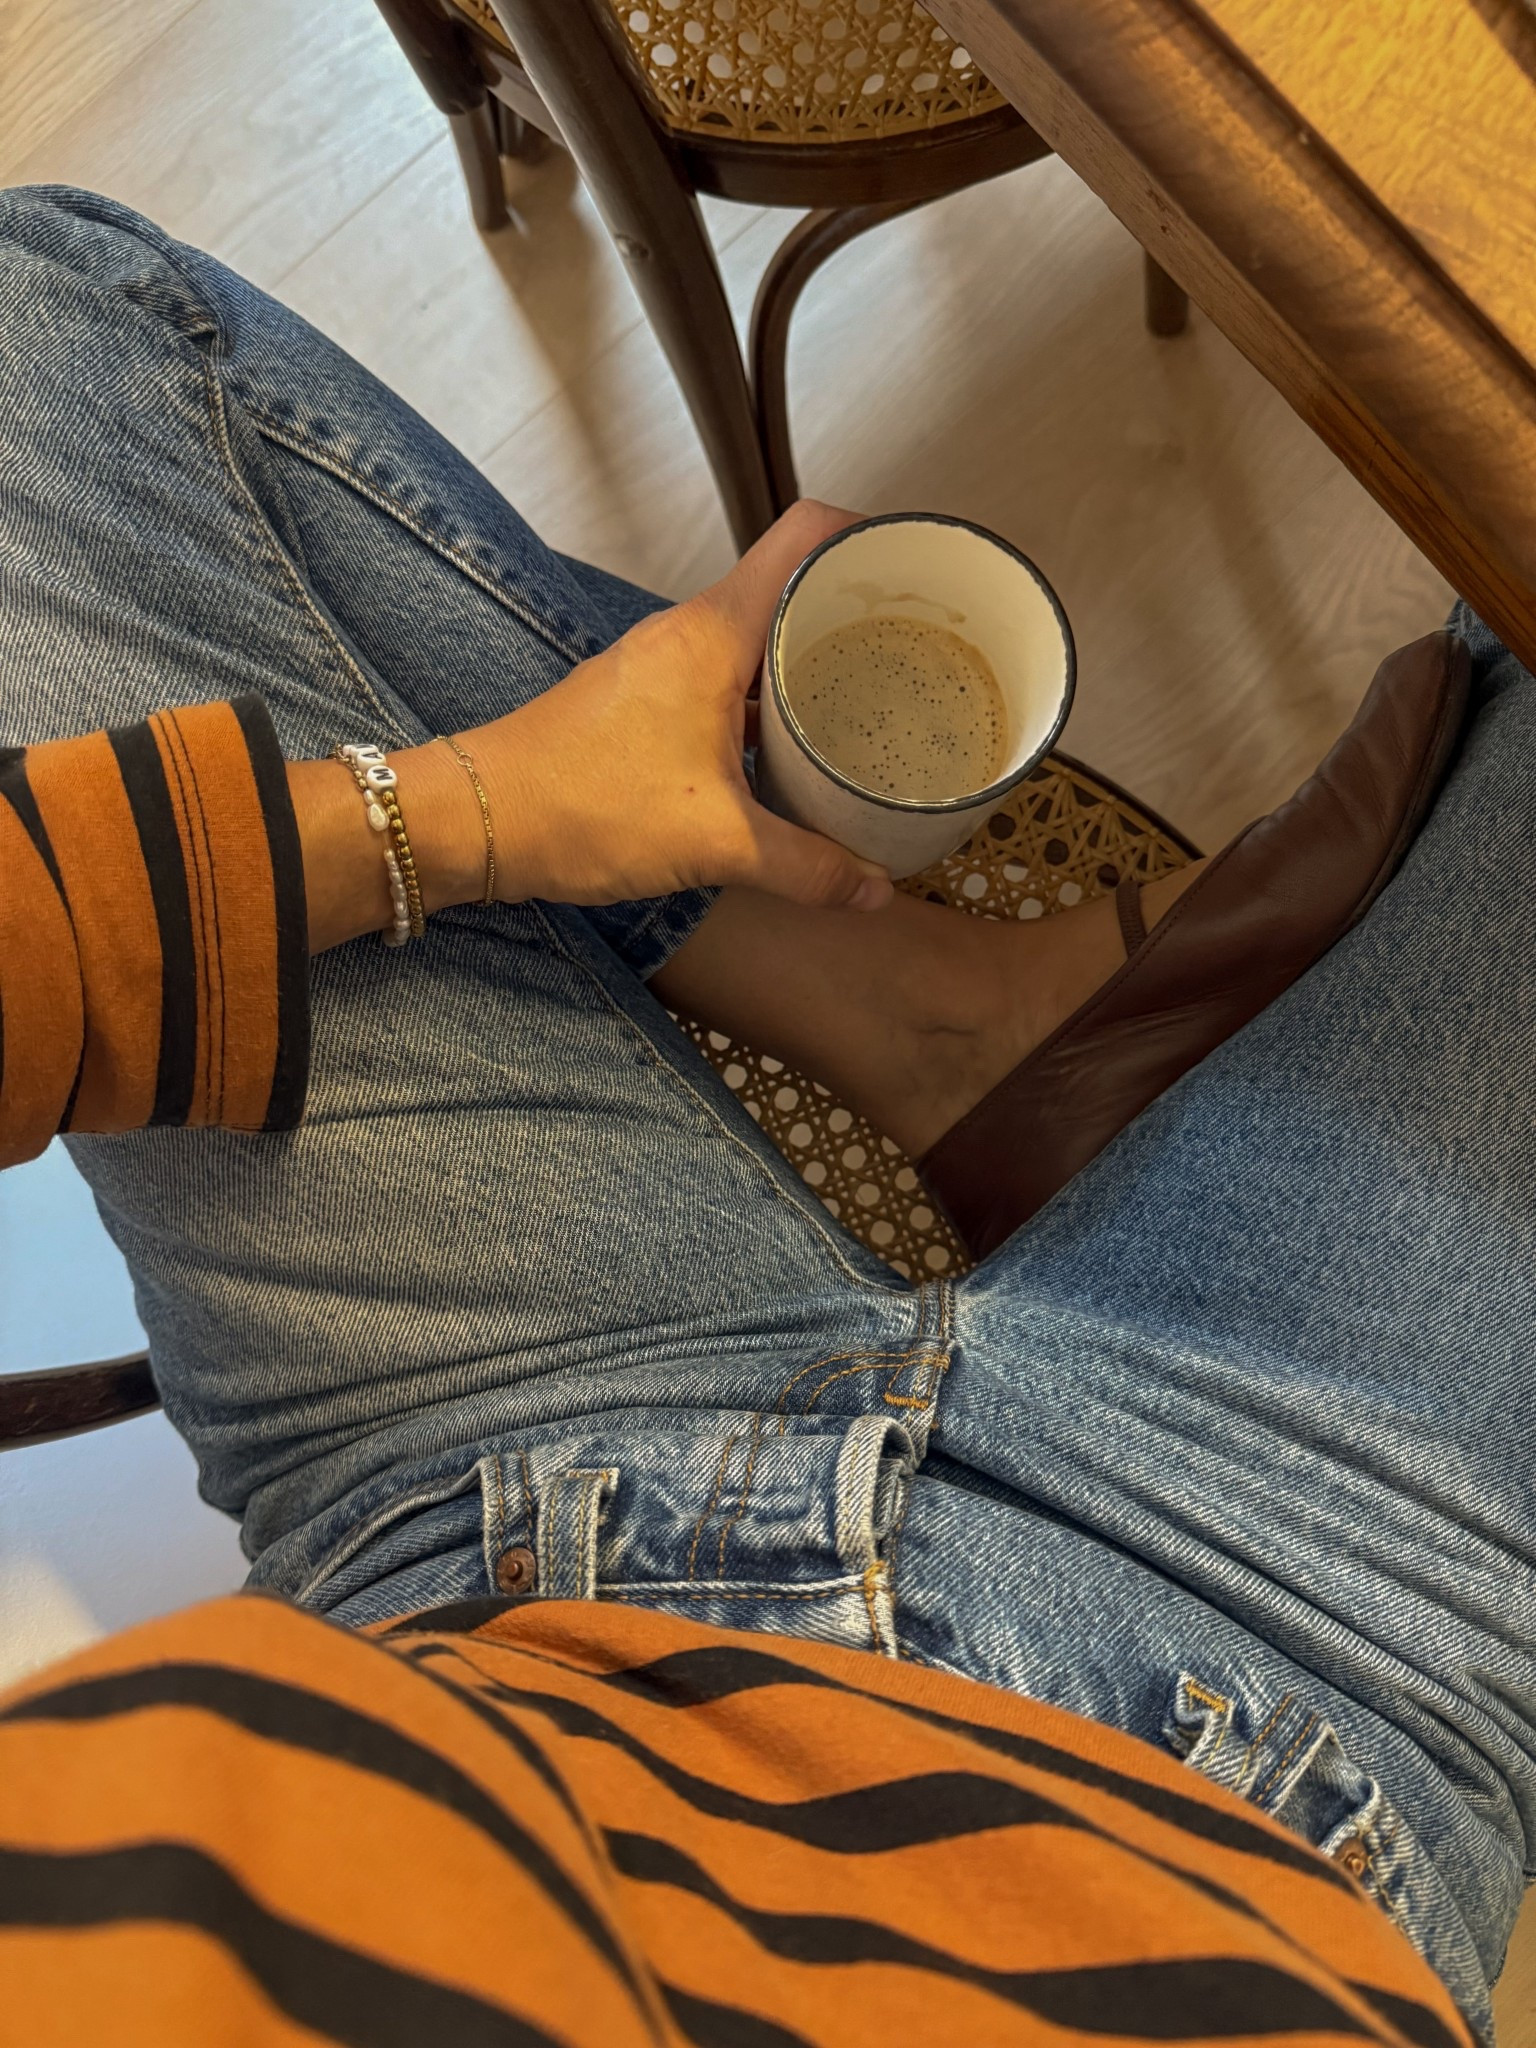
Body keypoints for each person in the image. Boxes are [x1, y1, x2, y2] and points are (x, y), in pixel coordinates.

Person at [0, 185, 1526, 2048]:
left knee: (33, 329)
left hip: (473, 1526)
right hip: (1254, 1741)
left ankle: (924, 1018)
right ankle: (933, 1021)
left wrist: (463, 814)